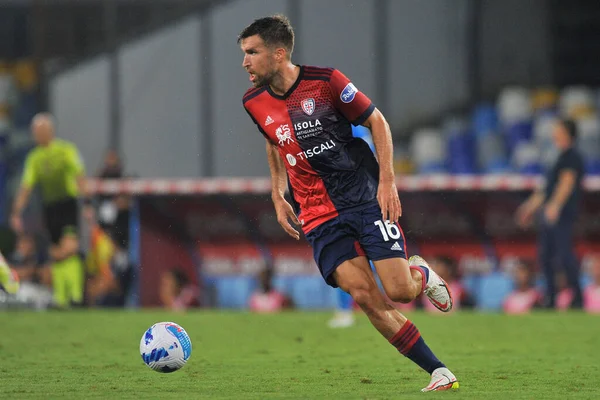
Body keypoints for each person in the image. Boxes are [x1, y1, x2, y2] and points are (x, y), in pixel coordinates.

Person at [239, 15, 458, 392]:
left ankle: (420, 273)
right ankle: (439, 371)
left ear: (278, 54)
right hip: (317, 213)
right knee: (364, 297)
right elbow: (273, 141)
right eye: (243, 53)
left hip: (361, 197)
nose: (245, 62)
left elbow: (379, 123)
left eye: (252, 52)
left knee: (400, 292)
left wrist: (388, 180)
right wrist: (277, 192)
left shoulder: (326, 83)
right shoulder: (253, 101)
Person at [11, 113, 91, 308]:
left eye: (40, 130)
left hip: (68, 204)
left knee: (70, 247)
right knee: (55, 250)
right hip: (50, 208)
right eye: (35, 132)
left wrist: (87, 203)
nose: (37, 135)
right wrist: (16, 212)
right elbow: (26, 187)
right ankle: (62, 299)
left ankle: (76, 296)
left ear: (50, 131)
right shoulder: (35, 158)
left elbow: (80, 176)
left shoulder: (66, 150)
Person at [516, 118, 585, 309]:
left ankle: (577, 297)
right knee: (545, 257)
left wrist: (555, 206)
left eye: (558, 129)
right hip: (549, 213)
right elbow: (546, 189)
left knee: (564, 256)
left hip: (561, 214)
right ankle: (551, 298)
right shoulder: (556, 156)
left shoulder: (571, 156)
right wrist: (528, 208)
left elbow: (566, 183)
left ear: (566, 132)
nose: (554, 132)